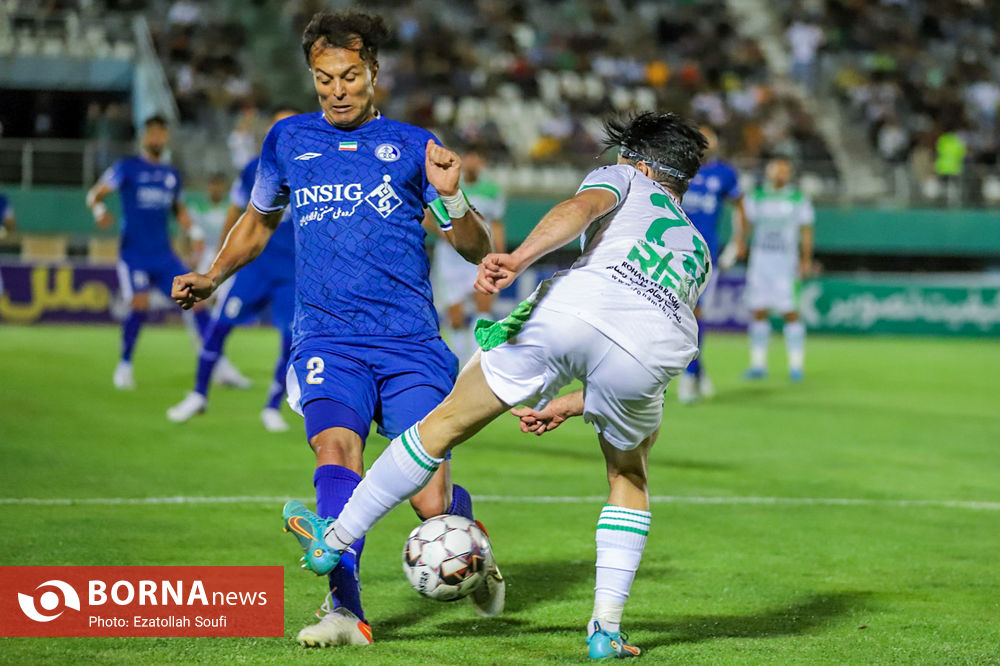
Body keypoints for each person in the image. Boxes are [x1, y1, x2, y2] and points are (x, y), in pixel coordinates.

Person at [280, 112, 711, 660]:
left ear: (642, 166)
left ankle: (334, 540)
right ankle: (605, 629)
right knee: (629, 474)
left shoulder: (624, 178)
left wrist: (519, 257)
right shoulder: (698, 249)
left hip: (578, 307)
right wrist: (573, 403)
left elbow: (580, 209)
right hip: (659, 346)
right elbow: (636, 347)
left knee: (442, 426)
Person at [170, 10, 502, 648]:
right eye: (324, 79)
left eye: (349, 76)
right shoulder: (288, 139)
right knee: (335, 451)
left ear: (373, 71)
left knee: (430, 503)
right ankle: (345, 611)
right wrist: (212, 276)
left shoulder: (413, 145)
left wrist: (452, 195)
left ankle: (470, 547)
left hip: (409, 342)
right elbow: (258, 223)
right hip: (327, 338)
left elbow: (474, 247)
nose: (337, 90)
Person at [167, 108, 302, 432]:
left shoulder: (316, 170)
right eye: (278, 125)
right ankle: (199, 394)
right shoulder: (253, 169)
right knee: (220, 326)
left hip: (294, 273)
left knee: (290, 340)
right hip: (255, 267)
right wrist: (217, 263)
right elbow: (236, 214)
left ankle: (272, 407)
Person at [86, 116, 245, 390]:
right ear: (143, 137)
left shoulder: (171, 175)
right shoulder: (126, 168)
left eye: (161, 133)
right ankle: (124, 366)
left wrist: (195, 233)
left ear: (166, 138)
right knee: (139, 305)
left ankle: (218, 363)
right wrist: (100, 211)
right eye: (152, 133)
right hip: (134, 254)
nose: (156, 138)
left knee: (197, 301)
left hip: (164, 255)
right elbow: (95, 194)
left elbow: (179, 210)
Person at [677, 125, 746, 403]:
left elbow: (740, 207)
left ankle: (689, 375)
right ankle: (697, 368)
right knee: (675, 315)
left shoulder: (725, 174)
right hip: (671, 250)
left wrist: (738, 241)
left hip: (705, 254)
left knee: (695, 312)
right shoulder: (676, 170)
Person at [432, 144, 506, 365]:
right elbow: (428, 216)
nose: (473, 161)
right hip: (450, 259)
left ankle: (480, 361)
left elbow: (496, 224)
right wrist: (445, 234)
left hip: (480, 256)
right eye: (469, 156)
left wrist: (500, 254)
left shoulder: (492, 190)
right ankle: (460, 360)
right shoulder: (447, 184)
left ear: (481, 162)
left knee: (484, 308)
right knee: (455, 316)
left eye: (477, 157)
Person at [741, 156, 814, 381]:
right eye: (776, 170)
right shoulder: (756, 196)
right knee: (758, 310)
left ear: (789, 174)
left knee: (790, 312)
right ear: (768, 172)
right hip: (760, 262)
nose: (780, 174)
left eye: (784, 170)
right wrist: (740, 243)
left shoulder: (798, 198)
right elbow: (745, 223)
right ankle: (758, 364)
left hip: (786, 264)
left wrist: (806, 259)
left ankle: (796, 366)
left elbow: (806, 231)